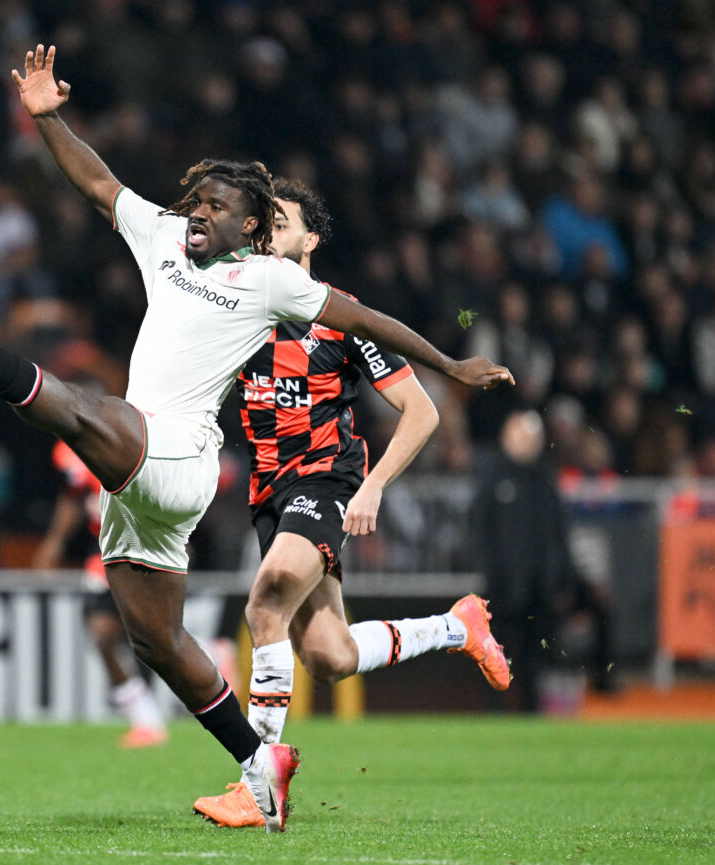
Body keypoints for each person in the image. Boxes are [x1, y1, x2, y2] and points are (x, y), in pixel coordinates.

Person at [0, 44, 512, 833]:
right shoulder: (164, 239)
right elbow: (100, 184)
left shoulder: (275, 282)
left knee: (103, 422)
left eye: (215, 205)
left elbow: (369, 322)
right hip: (177, 482)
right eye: (194, 199)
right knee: (165, 640)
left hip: (189, 456)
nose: (197, 210)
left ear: (253, 226)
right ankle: (259, 758)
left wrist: (450, 364)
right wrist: (50, 119)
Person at [191, 179, 512, 828]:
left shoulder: (340, 316)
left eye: (280, 224)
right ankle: (460, 626)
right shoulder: (240, 308)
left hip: (325, 481)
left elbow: (420, 412)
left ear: (310, 240)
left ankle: (260, 784)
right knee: (329, 655)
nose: (267, 235)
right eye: (263, 225)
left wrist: (373, 484)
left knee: (267, 595)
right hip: (269, 495)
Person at [33, 435, 169, 749]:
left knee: (153, 636)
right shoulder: (70, 449)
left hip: (142, 543)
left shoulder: (129, 438)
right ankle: (145, 718)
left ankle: (211, 651)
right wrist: (55, 541)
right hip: (107, 550)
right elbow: (73, 496)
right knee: (102, 633)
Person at [470, 409, 578, 712]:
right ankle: (494, 710)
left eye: (531, 437)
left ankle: (531, 711)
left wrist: (561, 577)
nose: (526, 443)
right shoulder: (493, 479)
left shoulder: (545, 480)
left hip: (538, 587)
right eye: (520, 435)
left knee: (534, 655)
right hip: (502, 587)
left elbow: (559, 533)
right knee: (494, 652)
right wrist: (489, 573)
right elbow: (480, 530)